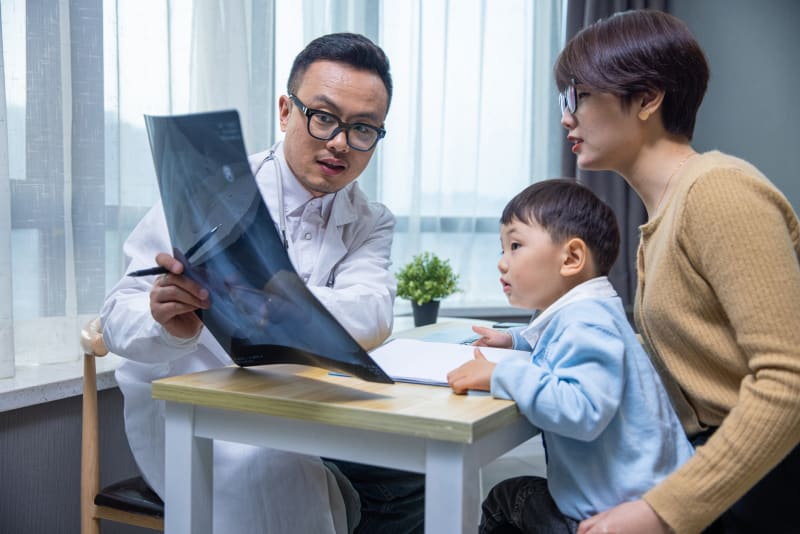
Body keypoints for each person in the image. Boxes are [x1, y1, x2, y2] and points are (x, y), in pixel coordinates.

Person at [101, 32, 423, 534]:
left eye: (362, 128)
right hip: (206, 412)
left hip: (313, 407)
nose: (340, 142)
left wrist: (278, 300)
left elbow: (373, 311)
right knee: (277, 480)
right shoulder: (210, 190)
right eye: (324, 117)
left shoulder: (369, 218)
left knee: (422, 469)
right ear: (285, 111)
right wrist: (166, 322)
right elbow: (116, 316)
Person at [553, 9, 800, 534]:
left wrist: (660, 513)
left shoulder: (718, 192)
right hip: (716, 464)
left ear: (647, 98)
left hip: (766, 481)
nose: (566, 118)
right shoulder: (664, 214)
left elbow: (790, 381)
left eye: (578, 96)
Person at [446, 179, 694, 533]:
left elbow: (582, 409)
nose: (502, 263)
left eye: (515, 246)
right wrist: (514, 341)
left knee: (504, 500)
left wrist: (501, 373)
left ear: (572, 258)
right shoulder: (589, 312)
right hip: (639, 496)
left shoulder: (586, 322)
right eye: (502, 249)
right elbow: (560, 344)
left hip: (615, 516)